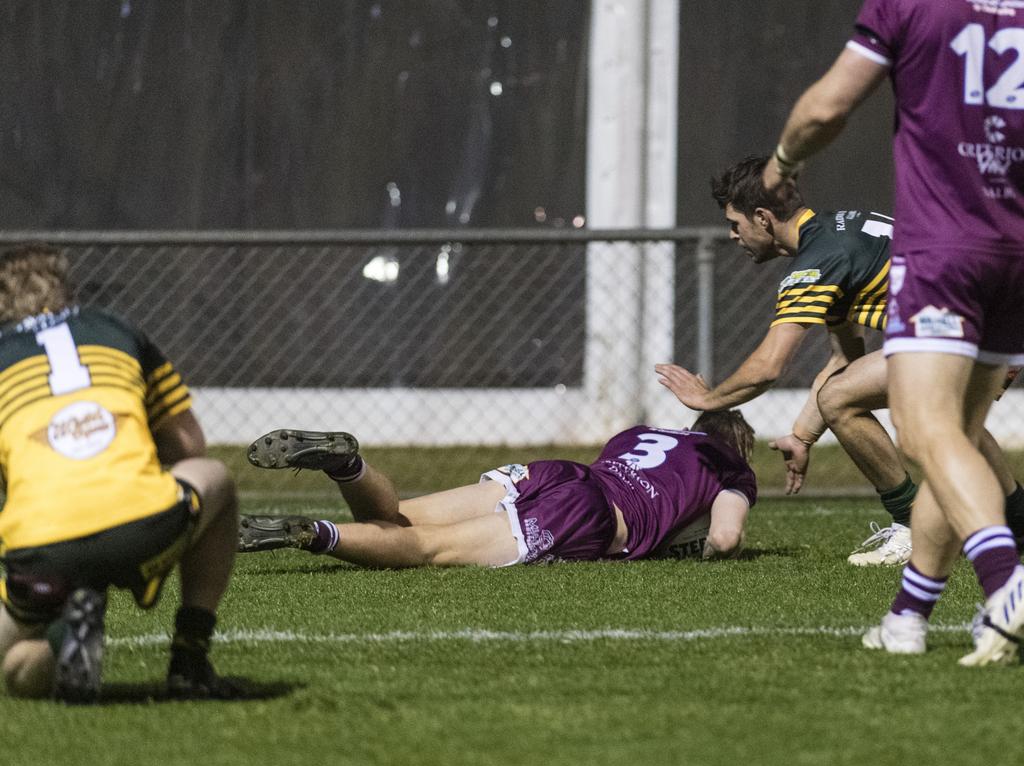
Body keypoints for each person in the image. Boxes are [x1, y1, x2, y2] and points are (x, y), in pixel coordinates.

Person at [762, 2, 1024, 665]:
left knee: (924, 425)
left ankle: (1006, 581)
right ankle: (908, 614)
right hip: (1017, 249)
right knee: (955, 439)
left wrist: (782, 158)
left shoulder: (912, 4)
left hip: (944, 249)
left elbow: (827, 107)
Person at [655, 155, 1024, 567]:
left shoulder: (817, 260)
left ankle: (914, 526)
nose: (732, 235)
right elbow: (846, 357)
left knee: (856, 403)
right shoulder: (836, 231)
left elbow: (769, 365)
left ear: (762, 218)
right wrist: (802, 435)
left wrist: (708, 400)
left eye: (735, 223)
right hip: (994, 319)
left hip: (973, 330)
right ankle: (1017, 521)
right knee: (937, 418)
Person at [0, 244, 239, 702]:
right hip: (144, 524)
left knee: (14, 671)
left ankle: (63, 638)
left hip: (42, 551)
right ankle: (190, 658)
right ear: (64, 289)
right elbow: (189, 445)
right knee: (216, 478)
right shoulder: (112, 327)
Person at [236, 410, 757, 568]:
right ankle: (315, 533)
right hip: (586, 510)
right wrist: (695, 547)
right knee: (424, 549)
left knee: (398, 517)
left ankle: (348, 466)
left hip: (558, 473)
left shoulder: (641, 433)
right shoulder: (731, 466)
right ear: (736, 446)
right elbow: (727, 538)